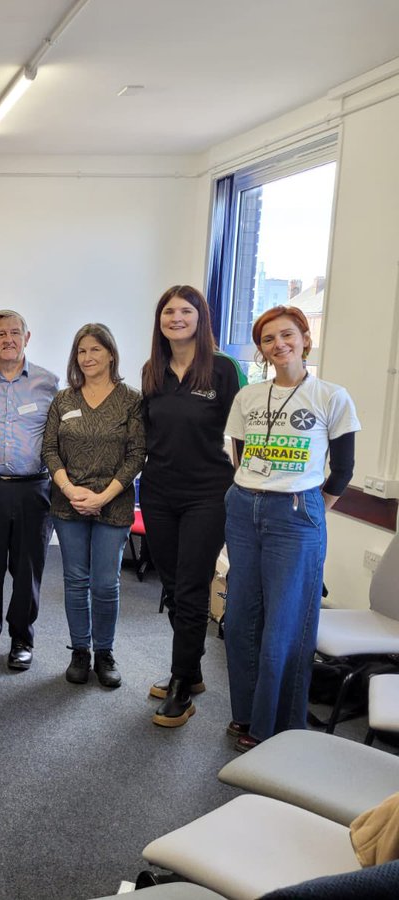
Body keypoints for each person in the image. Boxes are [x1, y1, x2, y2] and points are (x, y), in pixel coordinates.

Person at [224, 305, 359, 751]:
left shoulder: (330, 396)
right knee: (241, 617)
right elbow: (242, 455)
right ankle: (243, 714)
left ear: (305, 339)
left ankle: (275, 725)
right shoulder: (248, 396)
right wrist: (257, 491)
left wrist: (312, 508)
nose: (278, 344)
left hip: (296, 513)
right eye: (267, 339)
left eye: (287, 335)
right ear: (261, 350)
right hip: (245, 507)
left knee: (285, 624)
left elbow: (342, 470)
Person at [139, 286, 246, 727]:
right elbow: (147, 434)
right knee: (170, 585)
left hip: (208, 493)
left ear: (201, 318)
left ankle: (181, 683)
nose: (177, 318)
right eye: (169, 311)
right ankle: (194, 667)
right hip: (159, 491)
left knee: (190, 587)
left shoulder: (222, 369)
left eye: (186, 311)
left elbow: (242, 435)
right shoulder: (153, 370)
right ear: (159, 320)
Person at [42, 323, 145, 689]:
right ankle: (80, 651)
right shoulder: (64, 400)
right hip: (68, 504)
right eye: (82, 351)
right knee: (75, 581)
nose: (87, 357)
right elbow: (50, 450)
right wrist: (70, 490)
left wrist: (102, 497)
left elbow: (136, 455)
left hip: (112, 505)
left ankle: (105, 652)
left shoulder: (131, 400)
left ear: (111, 354)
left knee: (105, 584)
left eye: (95, 350)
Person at [0, 310, 59, 670]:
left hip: (34, 490)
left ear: (27, 338)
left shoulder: (49, 383)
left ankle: (22, 640)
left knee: (27, 570)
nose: (8, 339)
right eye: (0, 334)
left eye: (15, 332)